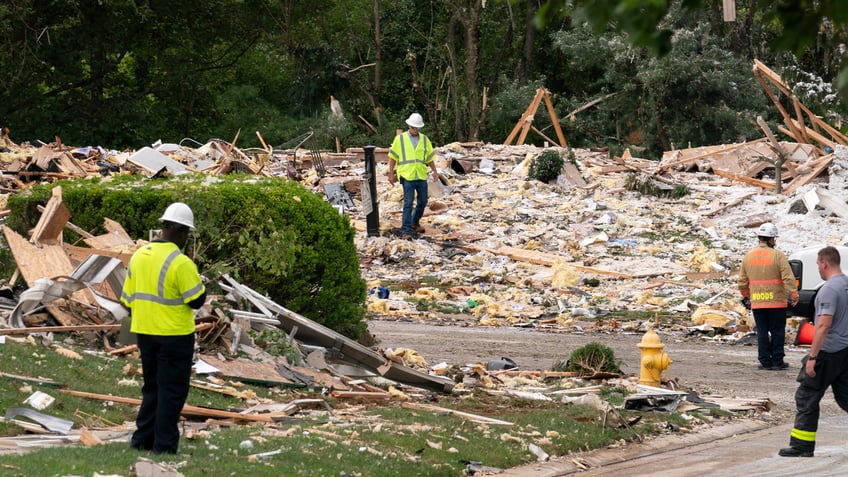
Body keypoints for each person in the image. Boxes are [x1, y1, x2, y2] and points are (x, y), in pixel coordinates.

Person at [121, 202, 207, 454]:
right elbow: (197, 300)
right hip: (174, 336)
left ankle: (141, 441)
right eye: (187, 233)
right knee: (171, 393)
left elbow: (127, 301)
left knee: (152, 388)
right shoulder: (180, 263)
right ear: (181, 231)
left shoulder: (139, 256)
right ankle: (164, 446)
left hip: (145, 333)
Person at [779, 246, 848, 457]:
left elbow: (823, 325)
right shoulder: (846, 285)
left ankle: (802, 446)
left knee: (806, 396)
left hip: (828, 351)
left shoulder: (829, 290)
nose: (818, 267)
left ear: (824, 263)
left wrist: (813, 356)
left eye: (818, 264)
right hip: (845, 351)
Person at [738, 222, 798, 370]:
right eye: (774, 239)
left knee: (762, 332)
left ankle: (765, 362)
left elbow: (742, 281)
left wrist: (747, 296)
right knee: (777, 331)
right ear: (771, 239)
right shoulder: (777, 255)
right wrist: (794, 293)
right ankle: (777, 362)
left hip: (758, 302)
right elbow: (788, 277)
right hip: (776, 302)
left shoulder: (748, 256)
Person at [388, 112, 439, 239]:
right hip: (407, 176)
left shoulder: (424, 140)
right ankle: (406, 230)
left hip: (420, 175)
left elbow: (429, 158)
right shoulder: (400, 139)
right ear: (409, 126)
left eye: (417, 128)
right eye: (413, 128)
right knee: (408, 203)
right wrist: (391, 173)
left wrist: (435, 171)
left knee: (423, 201)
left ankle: (414, 222)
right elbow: (393, 157)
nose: (415, 130)